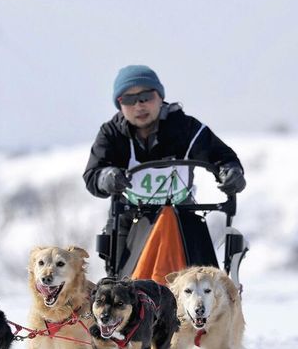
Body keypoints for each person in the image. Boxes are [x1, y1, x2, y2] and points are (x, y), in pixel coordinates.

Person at [83, 64, 246, 273]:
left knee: (206, 286)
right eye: (129, 100)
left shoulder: (185, 128)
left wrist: (231, 173)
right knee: (122, 289)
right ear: (119, 105)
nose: (139, 106)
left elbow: (223, 157)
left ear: (160, 97)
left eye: (146, 97)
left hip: (183, 216)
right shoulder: (112, 134)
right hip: (132, 219)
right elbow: (93, 175)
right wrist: (106, 178)